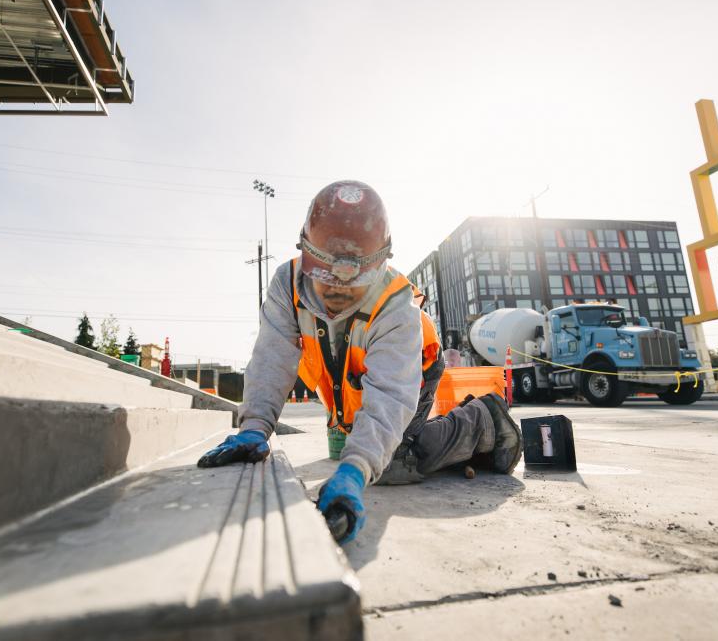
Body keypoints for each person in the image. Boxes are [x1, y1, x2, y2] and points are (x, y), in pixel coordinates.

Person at [197, 180, 522, 543]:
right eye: (326, 283)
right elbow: (272, 357)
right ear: (305, 257)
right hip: (354, 374)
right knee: (365, 448)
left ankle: (483, 420)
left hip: (414, 369)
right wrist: (255, 427)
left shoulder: (394, 304)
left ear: (380, 266)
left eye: (350, 288)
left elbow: (388, 394)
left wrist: (357, 468)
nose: (336, 295)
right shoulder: (286, 284)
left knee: (390, 464)